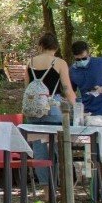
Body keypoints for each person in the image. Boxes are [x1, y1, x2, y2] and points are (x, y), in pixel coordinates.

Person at [23, 33, 78, 185]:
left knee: (40, 153)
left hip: (34, 111)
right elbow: (67, 89)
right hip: (53, 109)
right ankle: (65, 187)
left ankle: (47, 190)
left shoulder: (30, 62)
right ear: (56, 47)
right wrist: (77, 106)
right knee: (60, 149)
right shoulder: (59, 63)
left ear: (40, 46)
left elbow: (27, 88)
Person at [69, 40, 102, 117]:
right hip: (86, 113)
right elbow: (71, 93)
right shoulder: (72, 70)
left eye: (84, 58)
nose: (81, 61)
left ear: (88, 54)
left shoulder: (101, 63)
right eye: (78, 59)